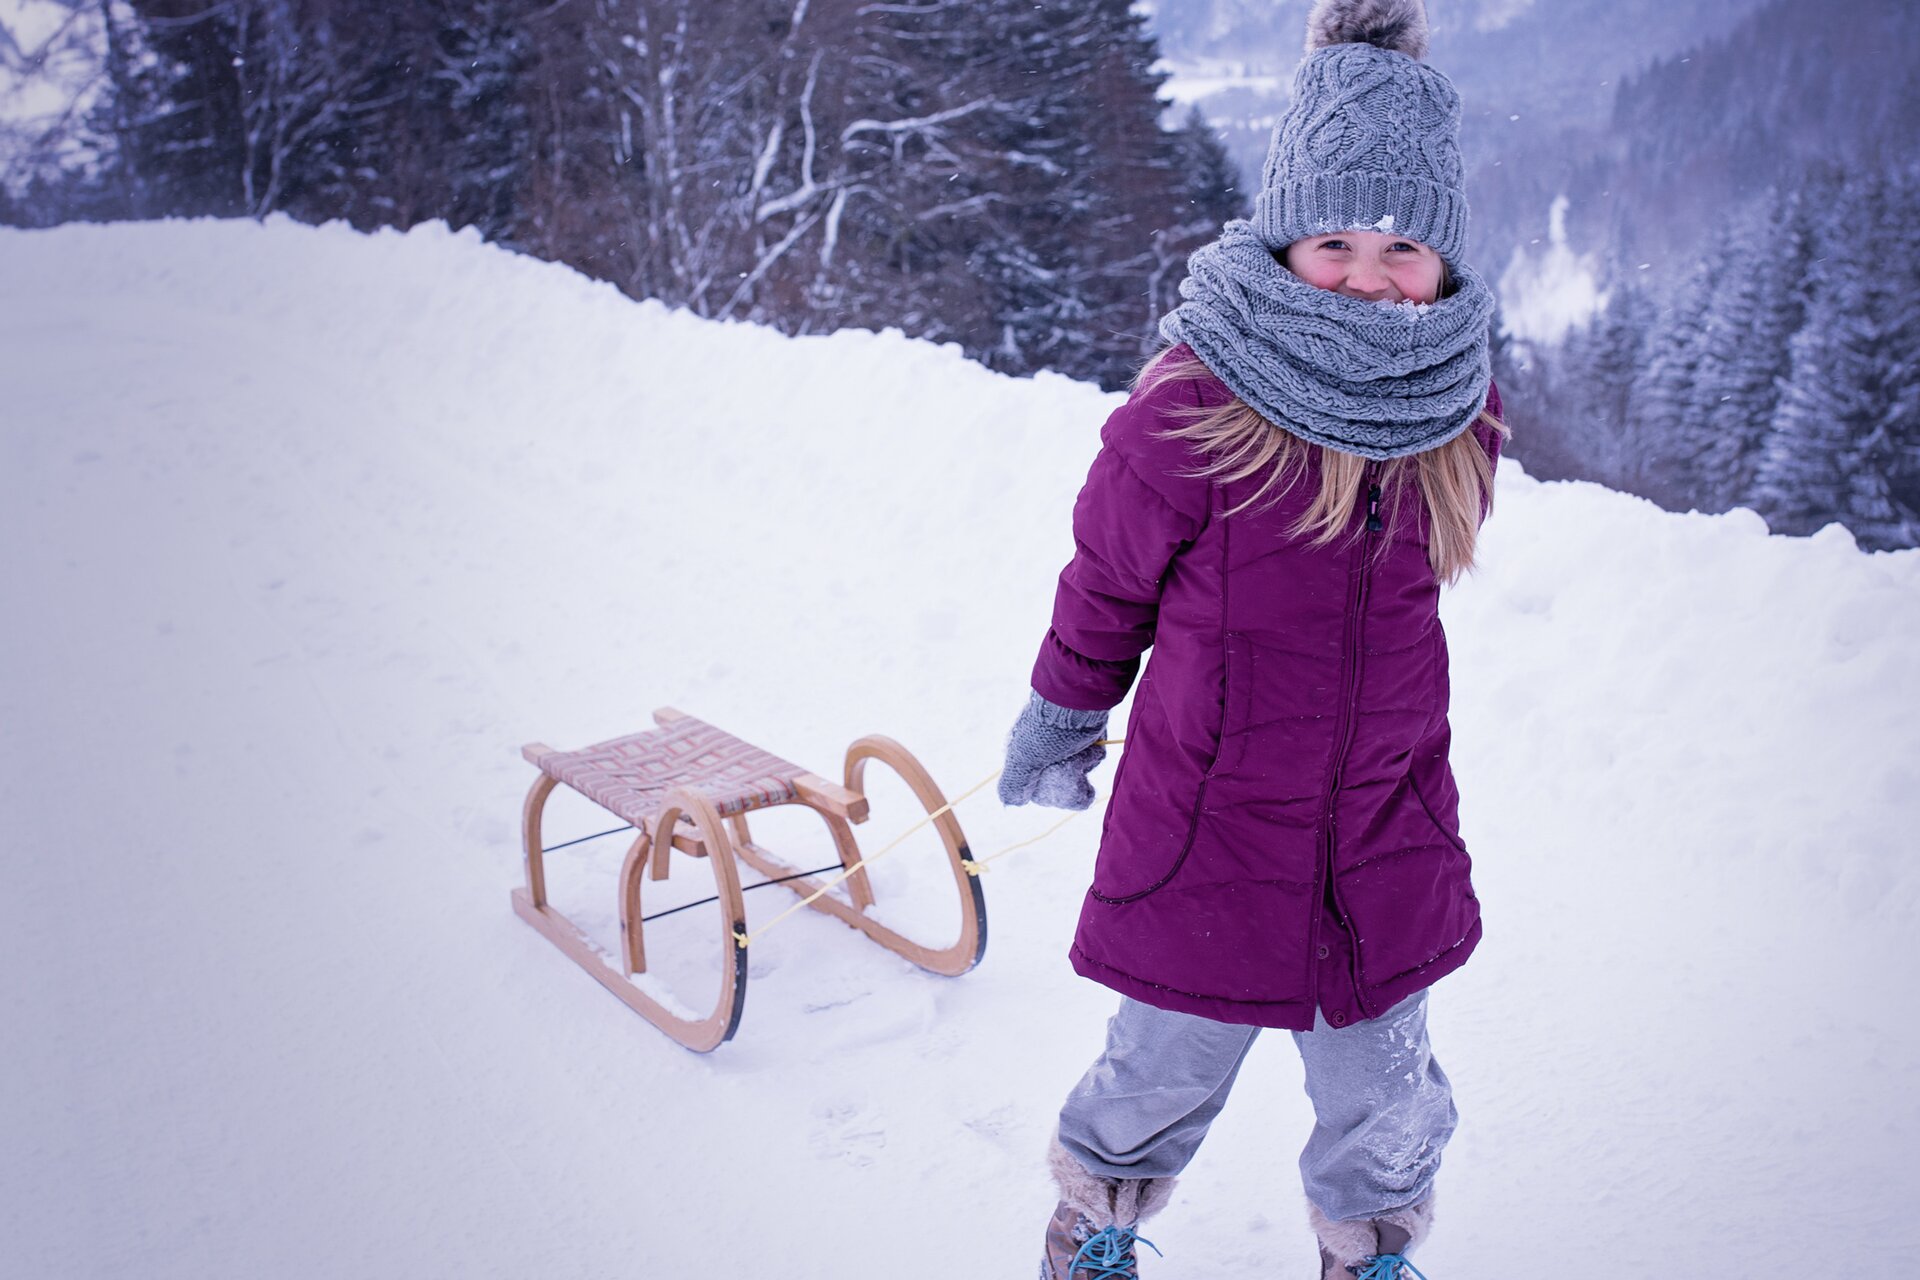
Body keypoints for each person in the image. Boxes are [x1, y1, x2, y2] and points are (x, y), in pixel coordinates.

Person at [998, 3, 1508, 1278]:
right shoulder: (1195, 404)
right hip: (1209, 834)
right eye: (1335, 241)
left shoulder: (1455, 410)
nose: (1368, 274)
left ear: (1443, 260)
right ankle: (1092, 1224)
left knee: (1388, 1096)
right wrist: (1063, 714)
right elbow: (1106, 585)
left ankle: (1370, 1248)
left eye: (1402, 247)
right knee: (1155, 1070)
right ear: (1284, 239)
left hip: (1382, 828)